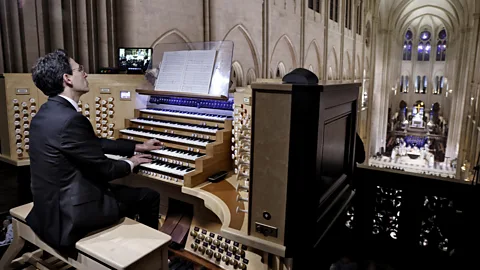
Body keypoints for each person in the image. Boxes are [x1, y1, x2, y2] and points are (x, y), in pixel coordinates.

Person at [26, 49, 161, 250]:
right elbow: (105, 170)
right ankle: (149, 256)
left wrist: (136, 146)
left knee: (126, 191)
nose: (85, 74)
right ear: (67, 79)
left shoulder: (46, 114)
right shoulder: (71, 119)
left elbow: (92, 144)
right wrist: (131, 163)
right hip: (70, 216)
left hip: (48, 207)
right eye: (80, 69)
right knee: (149, 196)